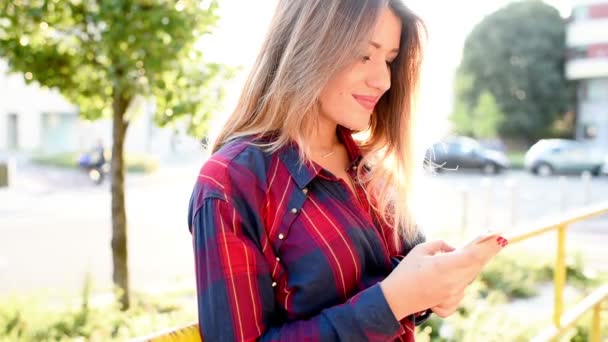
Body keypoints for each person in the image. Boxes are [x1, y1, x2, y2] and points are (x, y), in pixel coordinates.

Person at [187, 1, 507, 341]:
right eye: (363, 55)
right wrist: (393, 301)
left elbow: (401, 285)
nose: (383, 80)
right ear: (306, 47)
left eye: (389, 60)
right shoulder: (231, 182)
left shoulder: (369, 167)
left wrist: (436, 285)